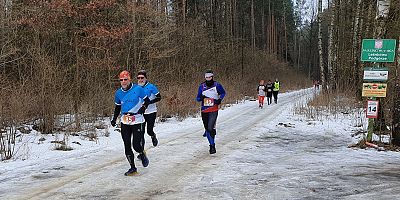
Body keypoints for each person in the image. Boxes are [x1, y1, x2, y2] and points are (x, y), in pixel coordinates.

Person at [111, 70, 151, 176]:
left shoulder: (138, 89)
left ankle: (141, 153)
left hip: (137, 119)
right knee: (127, 145)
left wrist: (143, 107)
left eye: (125, 79)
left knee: (136, 146)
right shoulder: (118, 93)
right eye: (121, 80)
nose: (123, 82)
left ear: (129, 79)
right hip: (125, 120)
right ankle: (133, 168)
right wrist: (114, 119)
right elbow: (117, 107)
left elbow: (147, 101)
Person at [196, 70, 226, 154]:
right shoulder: (202, 86)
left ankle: (212, 146)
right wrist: (201, 98)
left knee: (210, 128)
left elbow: (223, 93)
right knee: (208, 128)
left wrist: (219, 100)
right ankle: (210, 133)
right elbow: (197, 98)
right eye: (206, 77)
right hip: (204, 110)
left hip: (213, 109)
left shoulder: (217, 85)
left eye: (209, 77)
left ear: (212, 77)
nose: (208, 79)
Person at [137, 70, 161, 147]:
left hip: (151, 112)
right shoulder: (136, 88)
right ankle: (142, 152)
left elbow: (159, 97)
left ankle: (153, 135)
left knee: (149, 131)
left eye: (142, 78)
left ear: (146, 78)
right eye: (138, 78)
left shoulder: (151, 87)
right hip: (141, 113)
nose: (140, 80)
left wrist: (149, 102)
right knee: (141, 133)